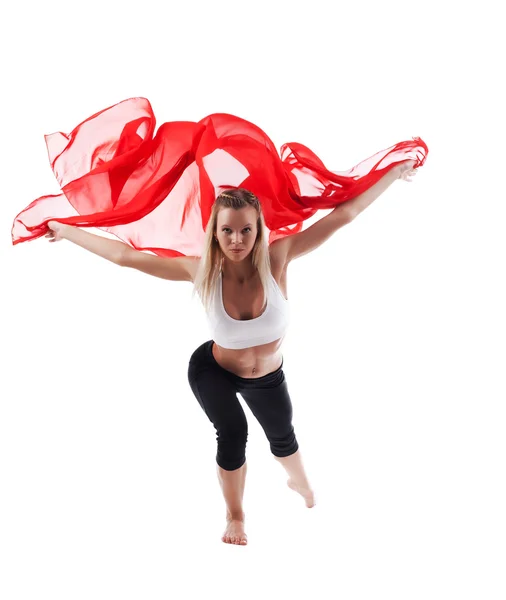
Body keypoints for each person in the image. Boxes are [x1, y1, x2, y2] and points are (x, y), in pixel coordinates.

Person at [44, 162, 417, 546]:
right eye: (227, 230)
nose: (236, 239)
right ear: (215, 232)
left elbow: (346, 214)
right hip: (213, 370)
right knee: (233, 432)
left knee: (283, 438)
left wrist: (392, 173)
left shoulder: (278, 258)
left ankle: (300, 484)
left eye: (245, 230)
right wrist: (65, 230)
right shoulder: (202, 270)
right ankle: (235, 517)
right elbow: (126, 257)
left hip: (267, 376)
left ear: (258, 231)